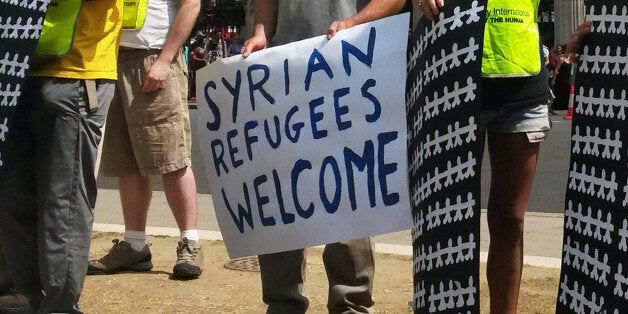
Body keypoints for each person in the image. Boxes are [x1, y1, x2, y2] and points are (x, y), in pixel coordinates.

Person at [240, 0, 406, 312]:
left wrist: (356, 21)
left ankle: (351, 304)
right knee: (283, 193)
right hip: (284, 66)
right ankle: (282, 303)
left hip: (352, 62)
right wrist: (263, 31)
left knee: (349, 192)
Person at [417, 0, 553, 312]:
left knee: (510, 220)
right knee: (446, 220)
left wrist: (601, 25)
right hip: (452, 74)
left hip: (521, 80)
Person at [0, 0, 123, 311]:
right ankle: (30, 297)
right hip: (15, 67)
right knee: (13, 197)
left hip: (77, 74)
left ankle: (59, 305)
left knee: (63, 204)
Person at [87, 0, 204, 280]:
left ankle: (190, 242)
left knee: (171, 157)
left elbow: (191, 5)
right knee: (127, 160)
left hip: (153, 58)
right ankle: (134, 244)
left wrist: (165, 59)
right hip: (111, 59)